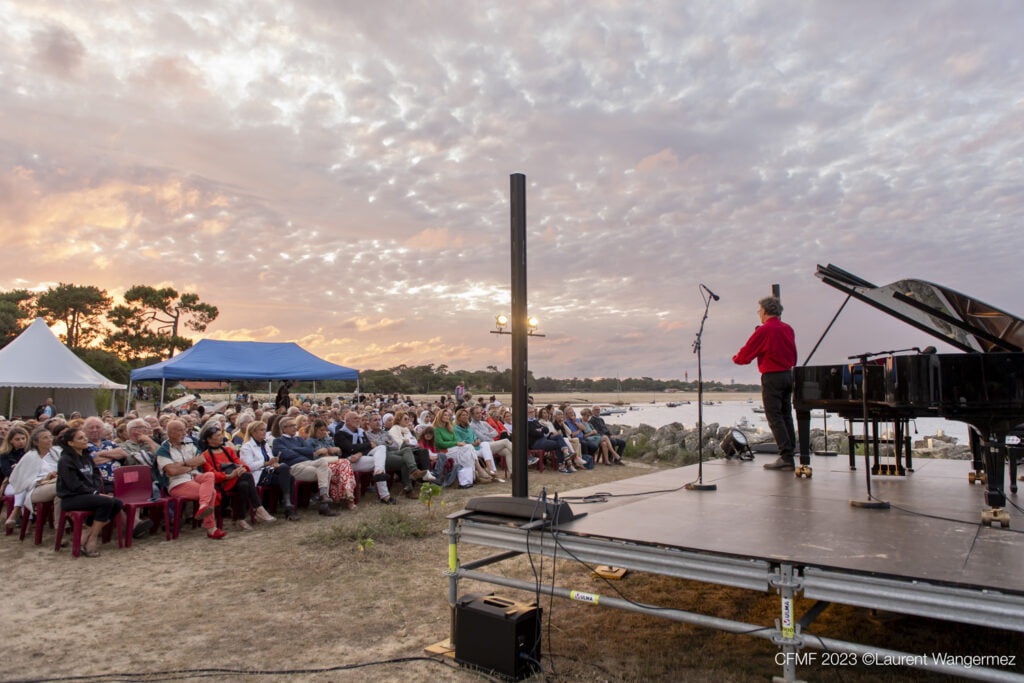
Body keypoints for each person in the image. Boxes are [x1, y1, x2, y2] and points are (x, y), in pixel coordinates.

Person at [733, 296, 797, 470]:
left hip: (772, 376)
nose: (759, 314)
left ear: (764, 311)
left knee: (774, 417)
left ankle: (786, 457)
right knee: (786, 415)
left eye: (759, 311)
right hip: (788, 375)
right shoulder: (787, 329)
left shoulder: (764, 330)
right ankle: (790, 452)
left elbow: (745, 356)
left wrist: (736, 358)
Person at [55, 427, 125, 557]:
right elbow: (73, 484)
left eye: (84, 437)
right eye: (80, 438)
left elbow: (96, 475)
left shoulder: (86, 455)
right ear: (70, 443)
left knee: (118, 503)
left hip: (88, 495)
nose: (85, 440)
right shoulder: (65, 460)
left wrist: (95, 490)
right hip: (72, 497)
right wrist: (94, 493)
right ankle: (92, 540)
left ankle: (87, 533)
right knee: (106, 502)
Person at [156, 419, 226, 540]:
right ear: (171, 433)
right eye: (180, 430)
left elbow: (202, 460)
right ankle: (211, 528)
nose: (184, 433)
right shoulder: (164, 450)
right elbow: (171, 471)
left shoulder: (190, 444)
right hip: (177, 482)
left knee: (210, 475)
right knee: (212, 492)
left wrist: (181, 465)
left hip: (194, 476)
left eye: (185, 430)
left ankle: (203, 506)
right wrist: (189, 464)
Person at [199, 425, 275, 531]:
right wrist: (229, 475)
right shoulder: (205, 455)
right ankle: (258, 508)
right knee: (247, 477)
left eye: (221, 434)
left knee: (244, 484)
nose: (222, 437)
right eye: (218, 435)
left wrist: (241, 469)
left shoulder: (228, 450)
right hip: (222, 483)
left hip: (236, 479)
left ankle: (242, 518)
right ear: (209, 439)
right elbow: (211, 474)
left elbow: (239, 462)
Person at [272, 417, 339, 516]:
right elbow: (285, 454)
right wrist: (300, 451)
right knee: (327, 471)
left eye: (295, 425)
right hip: (295, 466)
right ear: (284, 428)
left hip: (308, 463)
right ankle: (324, 503)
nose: (295, 427)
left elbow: (310, 451)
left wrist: (293, 449)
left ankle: (324, 496)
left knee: (323, 463)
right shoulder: (278, 441)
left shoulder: (299, 439)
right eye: (292, 426)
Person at [239, 420, 300, 520]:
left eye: (264, 430)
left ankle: (288, 507)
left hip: (269, 472)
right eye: (261, 430)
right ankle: (288, 506)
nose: (264, 432)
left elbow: (270, 459)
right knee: (286, 473)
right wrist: (265, 463)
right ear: (253, 432)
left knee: (288, 475)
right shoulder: (246, 447)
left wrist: (274, 463)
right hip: (258, 475)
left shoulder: (265, 445)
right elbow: (248, 466)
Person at [333, 411, 395, 504]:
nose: (358, 420)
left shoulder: (361, 432)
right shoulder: (340, 434)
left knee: (381, 448)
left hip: (361, 457)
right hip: (349, 462)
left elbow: (369, 447)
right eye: (355, 418)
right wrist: (367, 445)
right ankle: (385, 495)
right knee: (378, 462)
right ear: (347, 421)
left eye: (358, 418)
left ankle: (379, 473)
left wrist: (360, 453)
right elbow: (350, 448)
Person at [5, 428, 61, 529]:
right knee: (62, 487)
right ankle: (18, 512)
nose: (49, 440)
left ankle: (61, 529)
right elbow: (23, 480)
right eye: (45, 438)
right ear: (36, 442)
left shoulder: (57, 453)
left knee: (62, 495)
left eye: (50, 437)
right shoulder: (30, 457)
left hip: (57, 482)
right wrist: (46, 478)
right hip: (36, 488)